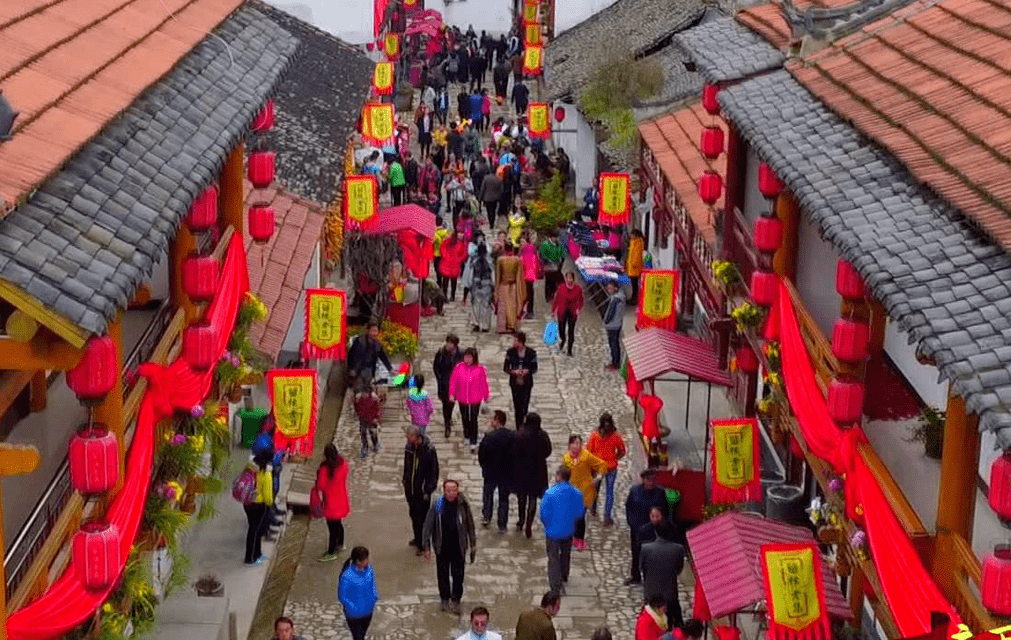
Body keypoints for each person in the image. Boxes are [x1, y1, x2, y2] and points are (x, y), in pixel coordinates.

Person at [422, 479, 477, 614]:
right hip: (442, 547)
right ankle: (445, 599)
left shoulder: (463, 504)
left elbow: (470, 525)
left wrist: (473, 544)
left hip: (458, 547)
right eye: (448, 490)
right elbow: (428, 526)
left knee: (458, 576)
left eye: (454, 490)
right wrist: (426, 546)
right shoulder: (438, 505)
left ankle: (456, 600)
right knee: (443, 575)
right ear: (444, 491)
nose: (451, 493)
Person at [540, 466, 585, 593]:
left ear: (559, 476)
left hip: (552, 531)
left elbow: (544, 513)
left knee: (553, 557)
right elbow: (580, 513)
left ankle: (555, 584)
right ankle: (564, 574)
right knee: (566, 553)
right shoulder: (576, 493)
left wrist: (547, 524)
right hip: (568, 529)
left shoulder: (550, 493)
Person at [562, 435, 608, 552]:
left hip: (585, 491)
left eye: (577, 443)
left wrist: (598, 478)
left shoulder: (586, 456)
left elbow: (602, 464)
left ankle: (580, 539)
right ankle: (573, 537)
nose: (575, 446)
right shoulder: (566, 458)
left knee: (581, 516)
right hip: (571, 492)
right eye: (573, 443)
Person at [640, 521, 686, 629]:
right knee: (671, 621)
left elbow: (642, 568)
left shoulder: (645, 549)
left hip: (651, 592)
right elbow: (679, 569)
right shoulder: (678, 549)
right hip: (669, 592)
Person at [625, 469, 669, 585]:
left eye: (653, 480)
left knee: (652, 554)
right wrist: (631, 523)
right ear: (643, 480)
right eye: (648, 480)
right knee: (636, 552)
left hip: (653, 528)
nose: (650, 483)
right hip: (637, 528)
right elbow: (629, 507)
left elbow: (665, 510)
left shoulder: (660, 492)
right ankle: (635, 575)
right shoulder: (635, 491)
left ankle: (650, 576)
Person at [512, 412, 552, 538]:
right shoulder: (542, 435)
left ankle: (521, 519)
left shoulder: (520, 434)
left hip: (521, 469)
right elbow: (548, 451)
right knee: (533, 498)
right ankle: (529, 524)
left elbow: (514, 451)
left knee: (521, 496)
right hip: (538, 470)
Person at [404, 426, 440, 554]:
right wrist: (405, 482)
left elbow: (434, 471)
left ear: (417, 436)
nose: (408, 439)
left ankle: (423, 544)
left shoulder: (428, 450)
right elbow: (407, 467)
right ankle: (417, 538)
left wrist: (428, 489)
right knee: (414, 515)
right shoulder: (409, 448)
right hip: (411, 489)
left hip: (423, 491)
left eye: (410, 436)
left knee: (422, 519)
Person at [478, 410, 515, 531]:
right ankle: (502, 524)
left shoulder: (489, 437)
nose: (491, 422)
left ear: (497, 421)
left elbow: (481, 454)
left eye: (492, 419)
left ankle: (487, 516)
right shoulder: (511, 436)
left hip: (491, 472)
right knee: (504, 499)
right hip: (506, 473)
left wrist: (484, 466)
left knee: (488, 494)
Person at [586, 413, 626, 525]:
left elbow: (589, 452)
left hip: (598, 468)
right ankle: (607, 518)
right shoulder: (615, 437)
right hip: (611, 468)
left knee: (595, 489)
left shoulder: (594, 436)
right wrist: (615, 458)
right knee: (609, 492)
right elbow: (622, 451)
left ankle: (593, 509)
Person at [449, 347, 491, 452]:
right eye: (466, 356)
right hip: (462, 398)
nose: (467, 359)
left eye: (469, 357)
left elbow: (484, 383)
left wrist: (486, 396)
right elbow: (453, 382)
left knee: (473, 419)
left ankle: (474, 439)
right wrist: (451, 394)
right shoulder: (458, 367)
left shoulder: (480, 369)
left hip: (475, 399)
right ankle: (466, 434)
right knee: (464, 418)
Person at [314, 444, 350, 561]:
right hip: (341, 498)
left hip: (330, 501)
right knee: (338, 523)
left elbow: (320, 486)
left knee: (332, 528)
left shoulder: (325, 469)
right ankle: (341, 544)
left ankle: (331, 552)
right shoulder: (343, 464)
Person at [338, 546, 379, 640]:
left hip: (368, 610)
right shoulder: (347, 576)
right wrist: (352, 607)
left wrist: (374, 596)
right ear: (358, 561)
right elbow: (342, 596)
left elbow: (372, 584)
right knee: (358, 637)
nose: (368, 561)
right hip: (354, 615)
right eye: (365, 559)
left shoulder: (369, 570)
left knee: (363, 633)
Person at [241, 453, 273, 565]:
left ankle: (258, 553)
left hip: (247, 503)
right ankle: (250, 558)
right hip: (259, 505)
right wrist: (270, 504)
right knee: (254, 531)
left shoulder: (249, 469)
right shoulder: (265, 474)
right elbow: (268, 496)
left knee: (254, 529)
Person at [503, 331, 538, 429]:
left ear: (521, 342)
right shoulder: (510, 352)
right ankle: (519, 427)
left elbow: (534, 368)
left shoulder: (531, 353)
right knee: (517, 405)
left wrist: (527, 371)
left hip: (526, 383)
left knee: (524, 405)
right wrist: (513, 372)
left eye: (515, 340)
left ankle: (524, 424)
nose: (513, 342)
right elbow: (505, 368)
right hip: (515, 383)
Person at [348, 322, 393, 392]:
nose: (374, 333)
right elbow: (351, 356)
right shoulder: (359, 341)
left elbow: (383, 357)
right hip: (358, 371)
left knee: (368, 391)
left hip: (369, 371)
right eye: (373, 331)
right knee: (358, 391)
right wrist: (351, 369)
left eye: (376, 331)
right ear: (368, 330)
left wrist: (390, 369)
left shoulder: (377, 344)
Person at [434, 333, 464, 436]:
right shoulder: (441, 353)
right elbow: (436, 367)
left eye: (450, 343)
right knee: (445, 403)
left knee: (451, 403)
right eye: (448, 342)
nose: (448, 345)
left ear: (455, 345)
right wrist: (440, 379)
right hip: (444, 383)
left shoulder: (461, 353)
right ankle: (447, 425)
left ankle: (449, 417)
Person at [464, 238, 496, 332]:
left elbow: (470, 274)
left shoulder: (474, 261)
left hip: (476, 284)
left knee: (476, 304)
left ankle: (477, 323)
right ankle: (485, 325)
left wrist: (469, 284)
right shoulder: (490, 262)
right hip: (487, 285)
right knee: (485, 305)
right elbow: (492, 274)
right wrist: (494, 285)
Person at [495, 242, 526, 333]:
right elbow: (519, 275)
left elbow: (498, 276)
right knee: (512, 306)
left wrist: (496, 290)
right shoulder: (516, 259)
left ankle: (502, 326)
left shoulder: (500, 259)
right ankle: (512, 325)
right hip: (513, 285)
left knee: (503, 306)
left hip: (503, 285)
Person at [552, 272, 584, 357]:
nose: (569, 280)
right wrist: (554, 310)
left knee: (571, 331)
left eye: (571, 278)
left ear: (573, 279)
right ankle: (563, 339)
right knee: (561, 329)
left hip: (572, 312)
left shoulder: (578, 288)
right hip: (562, 311)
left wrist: (578, 309)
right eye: (567, 278)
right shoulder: (561, 287)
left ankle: (569, 350)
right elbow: (556, 299)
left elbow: (581, 300)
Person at [353, 384, 382, 459]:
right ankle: (365, 447)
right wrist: (358, 414)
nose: (364, 395)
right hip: (363, 419)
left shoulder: (373, 399)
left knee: (373, 433)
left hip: (372, 419)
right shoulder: (359, 400)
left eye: (365, 393)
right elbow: (356, 407)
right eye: (363, 393)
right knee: (363, 433)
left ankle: (375, 444)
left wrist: (376, 417)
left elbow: (378, 408)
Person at [602, 281, 626, 370]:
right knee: (615, 343)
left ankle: (615, 363)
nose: (608, 289)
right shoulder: (621, 297)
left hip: (612, 325)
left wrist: (605, 321)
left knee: (613, 344)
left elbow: (610, 313)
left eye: (610, 288)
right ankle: (616, 362)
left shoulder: (615, 299)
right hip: (618, 323)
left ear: (615, 288)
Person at [438, 230, 467, 301]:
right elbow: (442, 247)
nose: (461, 235)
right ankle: (444, 295)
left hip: (455, 263)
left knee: (454, 280)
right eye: (460, 233)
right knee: (445, 279)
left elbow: (464, 252)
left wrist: (460, 259)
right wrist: (445, 255)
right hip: (447, 262)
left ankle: (452, 295)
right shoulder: (449, 240)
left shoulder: (463, 243)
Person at [539, 233, 565, 303]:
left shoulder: (559, 245)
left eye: (556, 237)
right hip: (548, 267)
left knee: (554, 282)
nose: (555, 239)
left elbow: (562, 254)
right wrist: (548, 261)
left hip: (557, 266)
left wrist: (560, 262)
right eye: (554, 237)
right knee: (548, 282)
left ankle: (553, 295)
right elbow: (542, 255)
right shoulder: (545, 245)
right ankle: (548, 296)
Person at [520, 237, 540, 316]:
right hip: (531, 277)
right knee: (531, 294)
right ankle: (530, 310)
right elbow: (537, 266)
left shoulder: (522, 255)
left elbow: (521, 266)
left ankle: (525, 310)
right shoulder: (534, 255)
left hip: (524, 276)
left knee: (525, 294)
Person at [626, 229, 645, 304]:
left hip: (635, 267)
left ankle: (635, 298)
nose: (631, 236)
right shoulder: (633, 242)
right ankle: (634, 297)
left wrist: (634, 264)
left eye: (632, 234)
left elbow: (637, 255)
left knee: (634, 284)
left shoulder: (638, 243)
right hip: (632, 266)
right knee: (633, 283)